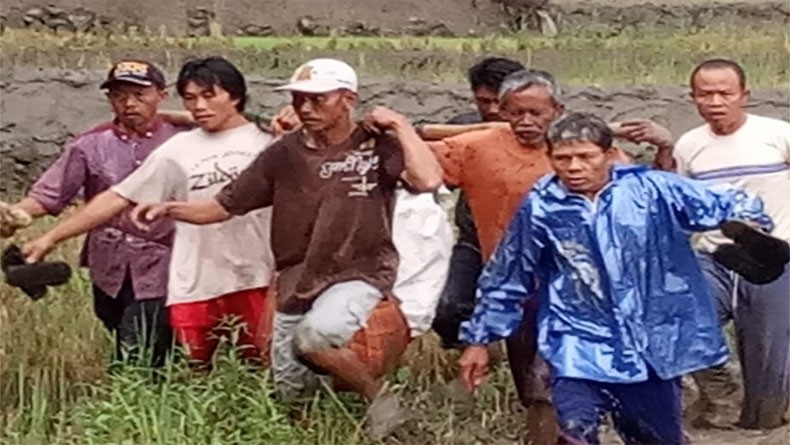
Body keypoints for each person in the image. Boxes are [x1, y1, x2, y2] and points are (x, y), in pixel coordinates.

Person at [128, 58, 443, 439]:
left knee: (315, 338)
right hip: (297, 279)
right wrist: (171, 209)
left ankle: (382, 402)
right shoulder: (283, 154)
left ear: (348, 99)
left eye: (317, 99)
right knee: (290, 393)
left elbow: (428, 179)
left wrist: (401, 126)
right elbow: (223, 206)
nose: (305, 108)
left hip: (358, 272)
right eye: (298, 99)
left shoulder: (377, 146)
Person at [459, 112, 774, 445]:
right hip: (575, 338)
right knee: (573, 431)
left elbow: (726, 203)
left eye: (585, 157)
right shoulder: (541, 207)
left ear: (608, 154)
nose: (574, 167)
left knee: (656, 438)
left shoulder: (653, 190)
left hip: (647, 344)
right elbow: (508, 274)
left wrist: (752, 233)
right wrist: (479, 340)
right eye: (563, 158)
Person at [23, 57, 276, 368]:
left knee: (258, 368)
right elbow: (117, 197)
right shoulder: (174, 147)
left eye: (209, 96)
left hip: (251, 275)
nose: (199, 106)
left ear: (235, 96)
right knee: (188, 371)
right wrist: (49, 238)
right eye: (191, 98)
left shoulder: (268, 140)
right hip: (189, 282)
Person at [1, 60, 179, 367]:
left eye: (139, 95)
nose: (129, 103)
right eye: (119, 95)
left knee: (139, 346)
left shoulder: (182, 139)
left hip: (166, 260)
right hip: (109, 264)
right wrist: (15, 214)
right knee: (127, 333)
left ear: (162, 95)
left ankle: (136, 389)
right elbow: (49, 194)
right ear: (109, 99)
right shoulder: (90, 144)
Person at [674, 58, 790, 430]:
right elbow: (684, 206)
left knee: (767, 370)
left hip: (773, 258)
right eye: (705, 94)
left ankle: (765, 415)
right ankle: (721, 393)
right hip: (716, 256)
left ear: (744, 95)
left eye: (725, 93)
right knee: (682, 319)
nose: (715, 101)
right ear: (693, 97)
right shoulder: (689, 146)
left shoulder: (777, 135)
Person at [430, 57, 525, 350]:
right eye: (485, 101)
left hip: (530, 244)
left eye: (501, 102)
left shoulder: (546, 133)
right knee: (447, 308)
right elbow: (433, 181)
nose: (493, 110)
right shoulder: (462, 131)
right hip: (475, 239)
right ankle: (473, 353)